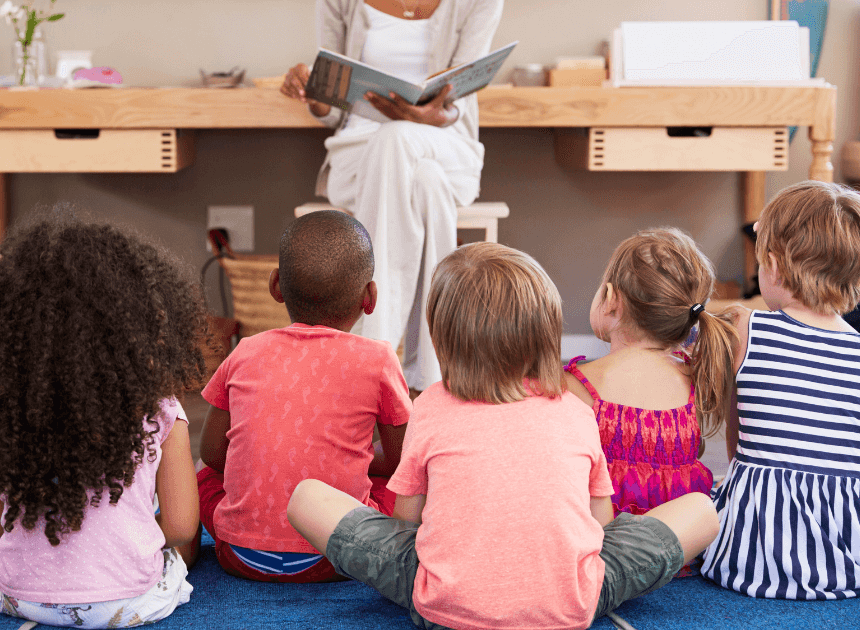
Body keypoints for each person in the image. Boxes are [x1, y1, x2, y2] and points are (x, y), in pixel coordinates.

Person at [287, 242, 720, 629]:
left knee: (306, 496)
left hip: (444, 608)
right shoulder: (575, 409)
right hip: (575, 605)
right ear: (546, 335)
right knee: (702, 509)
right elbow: (600, 527)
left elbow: (407, 523)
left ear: (442, 341)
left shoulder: (432, 405)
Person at [0, 213, 202, 628]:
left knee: (2, 560)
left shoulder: (4, 407)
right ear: (132, 320)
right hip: (131, 603)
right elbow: (179, 526)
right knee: (177, 551)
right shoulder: (160, 409)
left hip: (21, 599)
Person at [281, 0, 504, 393]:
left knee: (401, 140)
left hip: (446, 146)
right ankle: (435, 376)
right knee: (424, 180)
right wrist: (311, 91)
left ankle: (370, 362)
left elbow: (463, 95)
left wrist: (429, 117)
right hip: (359, 156)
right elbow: (332, 107)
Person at [702, 181, 860, 599]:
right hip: (852, 560)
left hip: (756, 555)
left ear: (773, 265)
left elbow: (739, 445)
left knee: (711, 493)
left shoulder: (747, 328)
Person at [197, 210, 411, 582]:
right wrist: (351, 459)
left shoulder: (244, 351)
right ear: (370, 297)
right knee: (401, 488)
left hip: (239, 554)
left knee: (202, 479)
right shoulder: (379, 360)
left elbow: (213, 455)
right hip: (338, 555)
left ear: (276, 286)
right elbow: (402, 463)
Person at [564, 229, 736, 564]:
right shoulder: (695, 376)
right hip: (676, 546)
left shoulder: (578, 384)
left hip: (604, 545)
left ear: (611, 298)